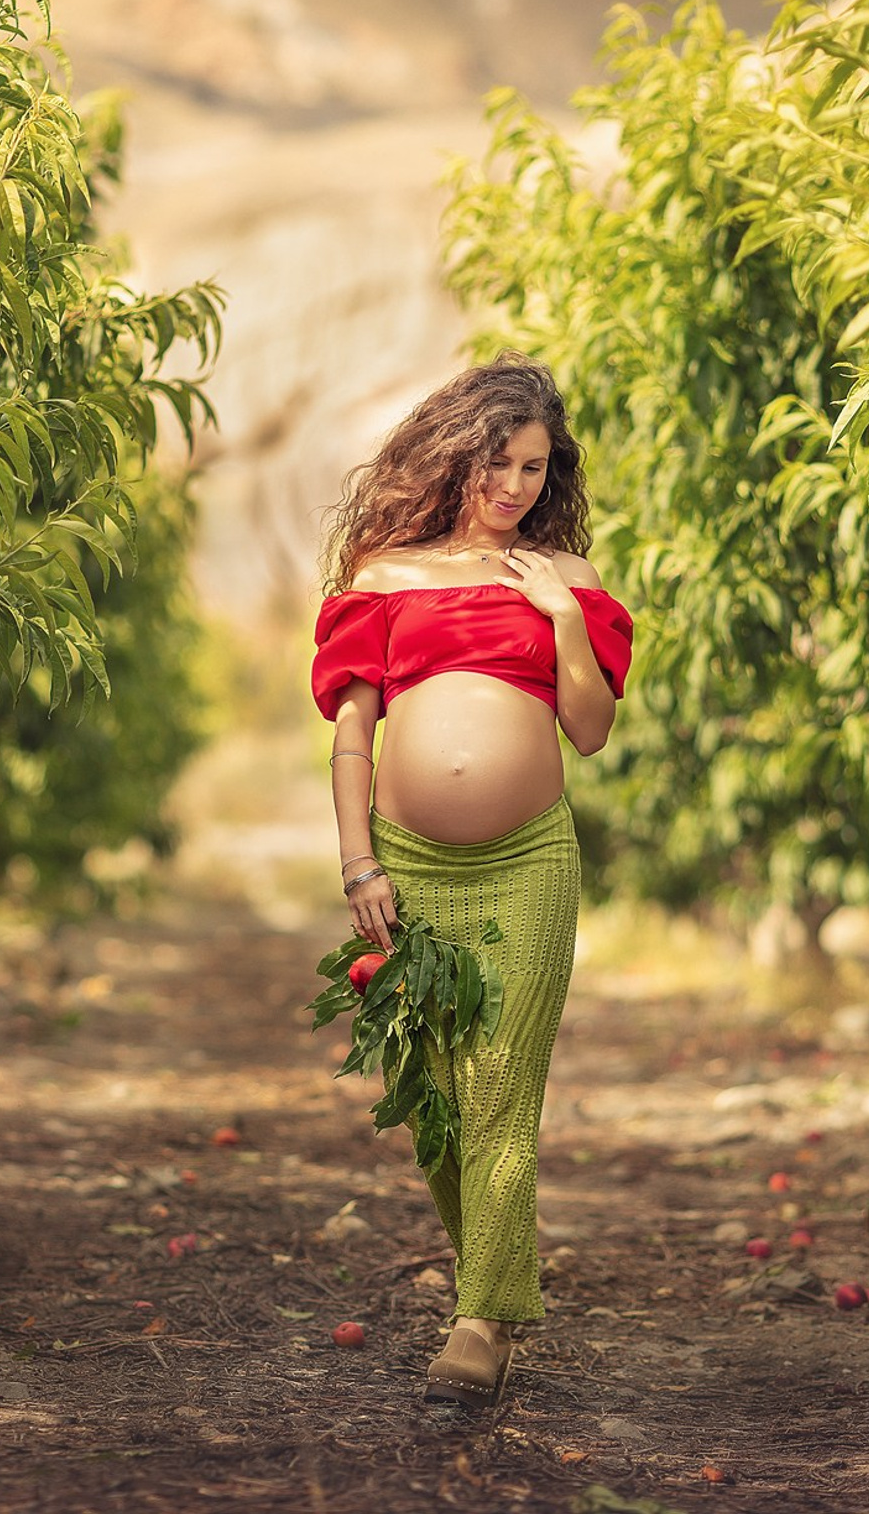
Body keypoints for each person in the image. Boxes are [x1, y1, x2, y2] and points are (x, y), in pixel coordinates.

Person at [311, 353, 632, 1410]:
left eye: (536, 468)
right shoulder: (384, 575)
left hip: (529, 857)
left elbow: (589, 729)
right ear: (457, 454)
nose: (515, 486)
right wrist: (358, 860)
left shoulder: (569, 582)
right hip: (407, 864)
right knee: (435, 1102)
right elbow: (354, 733)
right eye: (500, 462)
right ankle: (493, 1284)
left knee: (502, 1087)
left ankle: (482, 1320)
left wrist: (567, 618)